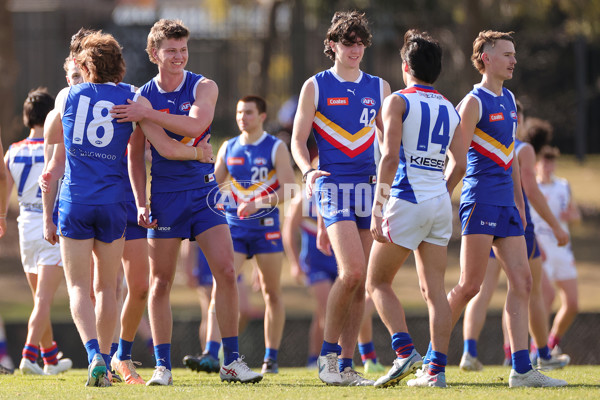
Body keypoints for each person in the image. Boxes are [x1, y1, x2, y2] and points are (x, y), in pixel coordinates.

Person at [43, 30, 209, 388]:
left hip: (76, 200)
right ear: (119, 63)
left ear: (85, 65)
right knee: (107, 288)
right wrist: (197, 152)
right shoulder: (133, 97)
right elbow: (163, 146)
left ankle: (92, 357)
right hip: (115, 203)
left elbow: (51, 135)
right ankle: (105, 356)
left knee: (78, 287)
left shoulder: (67, 94)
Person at [110, 19, 262, 385]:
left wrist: (148, 115)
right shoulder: (141, 96)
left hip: (205, 194)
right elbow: (150, 151)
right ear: (154, 54)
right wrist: (141, 200)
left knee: (226, 271)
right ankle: (163, 365)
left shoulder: (203, 86)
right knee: (160, 282)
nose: (179, 57)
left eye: (183, 50)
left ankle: (232, 361)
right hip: (163, 196)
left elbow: (195, 127)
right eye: (171, 51)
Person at [441, 30, 566, 388]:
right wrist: (442, 196)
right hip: (479, 200)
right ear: (485, 59)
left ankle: (522, 370)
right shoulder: (472, 103)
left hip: (506, 206)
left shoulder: (510, 99)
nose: (513, 60)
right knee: (469, 285)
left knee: (524, 281)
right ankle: (432, 361)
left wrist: (519, 205)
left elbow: (509, 159)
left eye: (514, 54)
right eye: (506, 54)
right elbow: (457, 159)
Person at [290, 10, 390, 386]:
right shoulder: (315, 85)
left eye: (361, 42)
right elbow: (298, 141)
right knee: (350, 272)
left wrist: (391, 183)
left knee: (361, 280)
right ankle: (327, 358)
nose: (356, 49)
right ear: (332, 45)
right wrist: (308, 171)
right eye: (348, 42)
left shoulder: (379, 86)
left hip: (368, 186)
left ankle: (346, 366)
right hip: (331, 186)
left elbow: (389, 143)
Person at [365, 30, 462, 389]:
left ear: (405, 66)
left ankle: (405, 353)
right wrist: (439, 193)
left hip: (406, 199)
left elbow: (390, 157)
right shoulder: (450, 107)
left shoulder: (398, 101)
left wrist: (377, 207)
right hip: (439, 203)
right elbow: (461, 164)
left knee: (376, 281)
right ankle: (435, 372)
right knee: (435, 292)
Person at [459, 107, 571, 371]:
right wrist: (556, 227)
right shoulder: (522, 149)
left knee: (480, 292)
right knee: (529, 291)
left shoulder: (488, 142)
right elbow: (531, 190)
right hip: (516, 225)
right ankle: (542, 354)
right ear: (517, 120)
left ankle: (470, 352)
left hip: (486, 216)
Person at [213, 95, 295, 374]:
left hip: (266, 231)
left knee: (272, 293)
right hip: (234, 230)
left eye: (248, 112)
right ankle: (214, 352)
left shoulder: (275, 148)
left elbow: (289, 189)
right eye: (239, 112)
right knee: (222, 286)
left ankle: (270, 358)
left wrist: (258, 202)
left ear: (262, 116)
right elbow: (213, 186)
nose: (242, 117)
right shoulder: (229, 146)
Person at [3, 88, 74, 376]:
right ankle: (28, 355)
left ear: (26, 117)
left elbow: (4, 187)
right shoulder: (58, 147)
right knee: (44, 298)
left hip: (25, 226)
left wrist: (1, 218)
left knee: (38, 299)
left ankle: (49, 358)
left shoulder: (14, 150)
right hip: (50, 224)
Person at [532, 144, 580, 357]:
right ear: (536, 165)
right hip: (541, 250)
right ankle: (537, 347)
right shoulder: (532, 188)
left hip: (562, 250)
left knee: (572, 304)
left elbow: (575, 215)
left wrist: (572, 217)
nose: (549, 166)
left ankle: (551, 342)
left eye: (552, 162)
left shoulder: (563, 186)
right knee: (545, 299)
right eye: (545, 162)